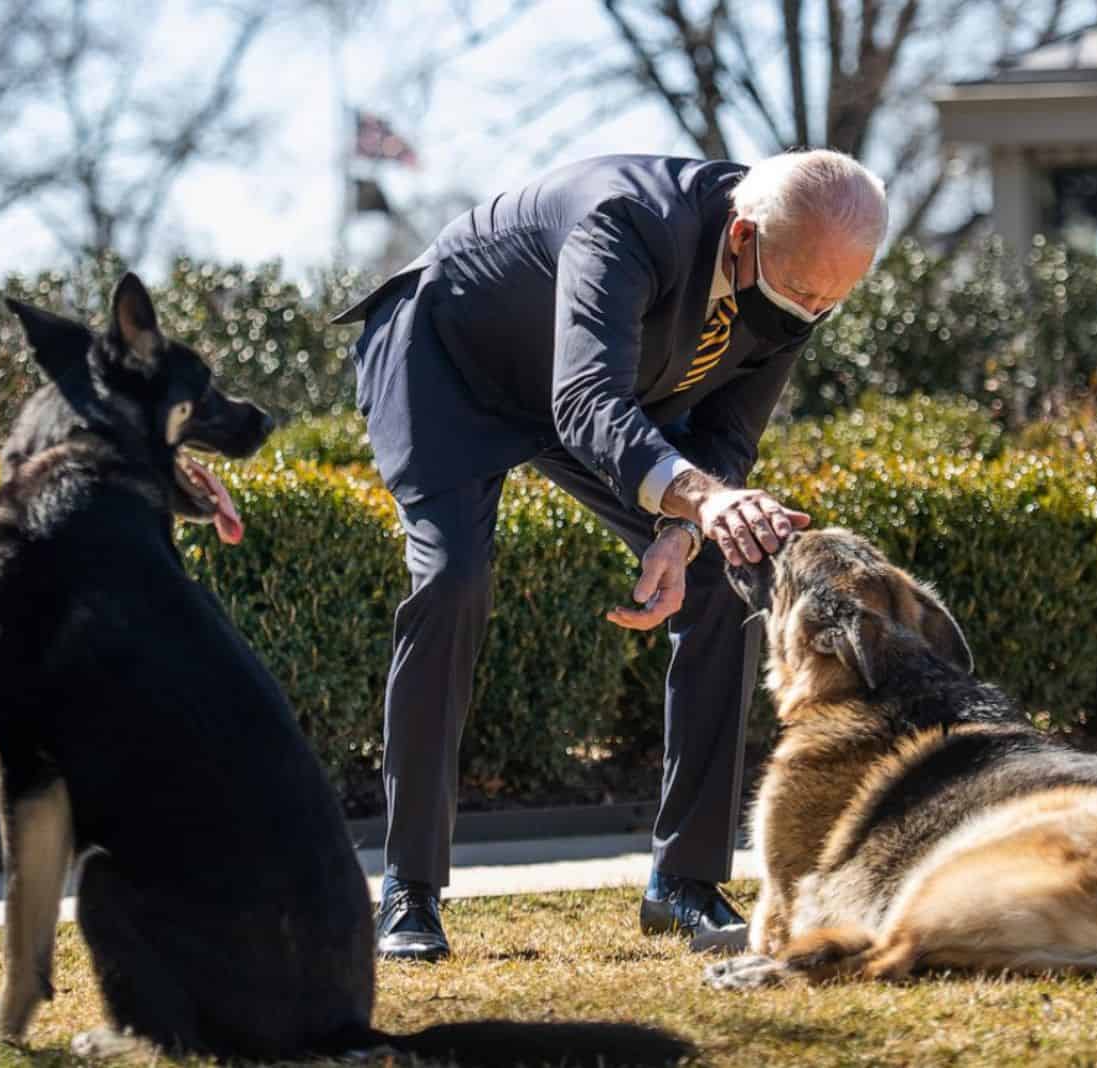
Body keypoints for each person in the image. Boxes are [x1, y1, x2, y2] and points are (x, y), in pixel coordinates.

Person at [332, 150, 887, 961]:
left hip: (586, 396)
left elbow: (728, 434)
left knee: (721, 581)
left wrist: (684, 530)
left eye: (833, 299)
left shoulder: (799, 268)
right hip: (445, 363)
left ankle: (683, 884)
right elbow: (586, 400)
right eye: (804, 293)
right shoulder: (626, 222)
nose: (812, 312)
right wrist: (700, 497)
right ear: (741, 236)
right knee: (452, 578)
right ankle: (408, 891)